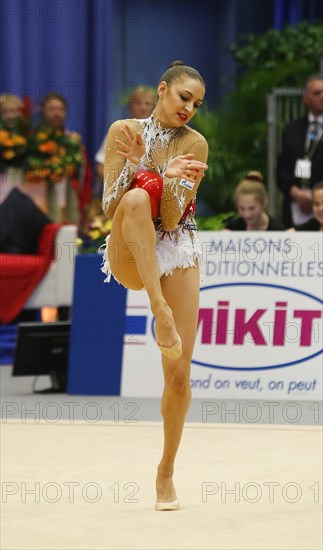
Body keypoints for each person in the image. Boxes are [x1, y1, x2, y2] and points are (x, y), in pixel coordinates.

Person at [101, 61, 208, 511]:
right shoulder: (123, 130)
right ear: (163, 90)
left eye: (198, 104)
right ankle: (159, 310)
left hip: (176, 247)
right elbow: (112, 205)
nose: (190, 109)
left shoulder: (195, 143)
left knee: (180, 374)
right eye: (184, 97)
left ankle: (165, 472)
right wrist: (138, 165)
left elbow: (170, 218)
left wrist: (168, 179)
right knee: (138, 196)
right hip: (129, 247)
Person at [25, 93, 93, 226]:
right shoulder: (31, 141)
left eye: (61, 109)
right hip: (36, 204)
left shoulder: (73, 141)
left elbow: (85, 176)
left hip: (67, 204)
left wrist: (84, 203)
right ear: (42, 111)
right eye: (51, 109)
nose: (57, 113)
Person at [276, 74, 323, 227]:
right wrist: (294, 192)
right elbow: (282, 168)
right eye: (317, 93)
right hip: (294, 207)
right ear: (305, 98)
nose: (322, 97)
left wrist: (316, 197)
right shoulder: (292, 129)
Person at [95, 85, 157, 184]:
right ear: (130, 107)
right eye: (138, 103)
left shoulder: (158, 135)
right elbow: (101, 165)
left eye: (148, 104)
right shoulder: (118, 130)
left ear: (153, 108)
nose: (143, 108)